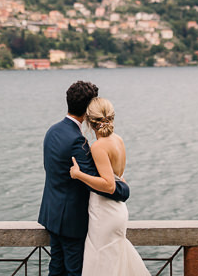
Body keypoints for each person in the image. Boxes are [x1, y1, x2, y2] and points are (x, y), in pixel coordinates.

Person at [38, 81, 130, 276]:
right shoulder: (77, 141)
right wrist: (123, 189)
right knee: (74, 270)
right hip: (72, 220)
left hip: (51, 213)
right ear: (88, 109)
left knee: (56, 267)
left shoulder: (52, 131)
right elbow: (99, 182)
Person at [69, 97, 150, 276]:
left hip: (104, 212)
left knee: (100, 263)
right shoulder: (118, 140)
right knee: (114, 263)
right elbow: (120, 177)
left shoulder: (98, 147)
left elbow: (109, 185)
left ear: (89, 122)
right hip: (118, 210)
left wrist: (78, 174)